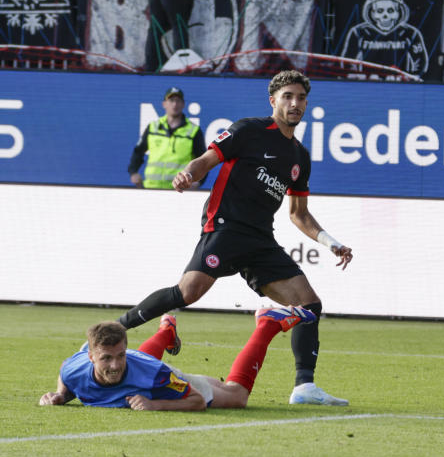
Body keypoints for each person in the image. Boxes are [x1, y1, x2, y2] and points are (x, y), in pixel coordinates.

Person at [114, 69, 353, 407]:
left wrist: (331, 242)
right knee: (187, 292)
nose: (295, 103)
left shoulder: (299, 157)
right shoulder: (249, 130)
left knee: (309, 305)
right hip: (226, 227)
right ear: (273, 101)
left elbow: (298, 214)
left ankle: (304, 387)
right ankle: (116, 328)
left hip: (260, 240)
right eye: (288, 97)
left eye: (300, 98)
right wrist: (188, 175)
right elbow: (207, 159)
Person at [39, 307, 315, 411]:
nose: (114, 364)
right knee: (134, 367)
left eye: (119, 355)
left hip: (157, 373)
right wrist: (61, 395)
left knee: (236, 396)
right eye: (105, 358)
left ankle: (268, 323)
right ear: (90, 357)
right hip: (142, 365)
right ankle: (167, 331)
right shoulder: (75, 367)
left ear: (126, 347)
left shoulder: (154, 375)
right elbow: (66, 371)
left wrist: (154, 404)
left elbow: (195, 400)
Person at [128, 87, 205, 190]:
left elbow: (203, 160)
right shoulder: (153, 127)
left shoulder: (193, 130)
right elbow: (138, 151)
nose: (175, 104)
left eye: (178, 101)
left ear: (183, 104)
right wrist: (133, 172)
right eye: (171, 101)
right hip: (151, 188)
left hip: (179, 190)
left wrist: (199, 182)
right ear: (164, 104)